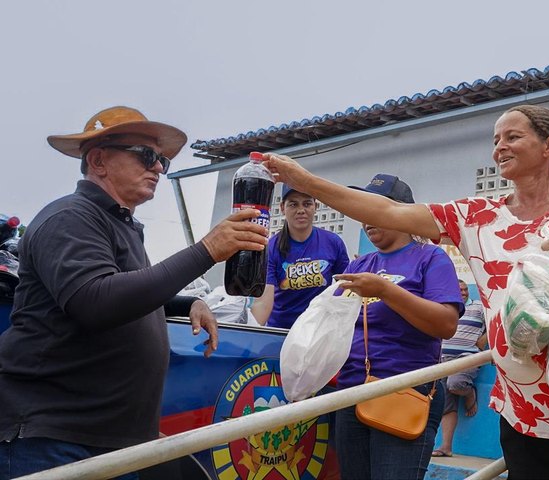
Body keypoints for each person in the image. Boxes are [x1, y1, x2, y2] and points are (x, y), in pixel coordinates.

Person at [262, 104, 549, 479]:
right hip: (524, 409)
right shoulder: (475, 215)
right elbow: (387, 210)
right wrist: (306, 180)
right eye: (495, 139)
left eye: (512, 136)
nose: (499, 147)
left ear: (548, 146)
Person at [0, 106, 269, 479]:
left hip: (109, 443)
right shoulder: (70, 218)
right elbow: (96, 302)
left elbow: (125, 295)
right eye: (146, 155)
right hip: (55, 440)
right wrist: (208, 249)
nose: (158, 167)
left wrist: (188, 302)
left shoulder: (119, 224)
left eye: (161, 160)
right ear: (98, 160)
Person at [331, 174, 463, 480]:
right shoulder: (359, 265)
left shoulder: (430, 258)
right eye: (362, 211)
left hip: (404, 390)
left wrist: (387, 290)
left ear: (402, 212)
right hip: (351, 391)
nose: (366, 218)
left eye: (375, 208)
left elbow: (446, 324)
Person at [251, 184, 349, 328]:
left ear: (315, 206)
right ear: (282, 208)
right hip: (280, 331)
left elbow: (346, 288)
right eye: (293, 204)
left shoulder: (333, 242)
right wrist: (252, 334)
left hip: (318, 330)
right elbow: (263, 302)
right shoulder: (270, 248)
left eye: (307, 204)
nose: (301, 210)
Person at [432, 279, 487, 458]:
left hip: (466, 358)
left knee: (456, 384)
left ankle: (470, 392)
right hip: (443, 362)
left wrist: (484, 340)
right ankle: (446, 447)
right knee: (447, 406)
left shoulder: (478, 307)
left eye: (465, 290)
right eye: (459, 290)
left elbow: (497, 321)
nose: (463, 292)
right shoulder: (444, 308)